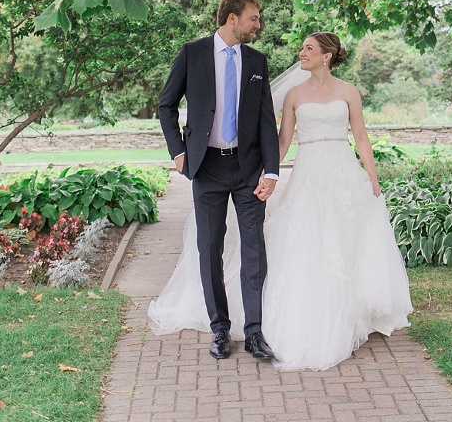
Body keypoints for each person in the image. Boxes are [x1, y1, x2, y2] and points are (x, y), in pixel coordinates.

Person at [150, 30, 412, 372]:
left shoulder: (349, 92)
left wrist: (372, 178)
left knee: (347, 239)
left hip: (342, 172)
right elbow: (282, 138)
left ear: (327, 55)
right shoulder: (293, 94)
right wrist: (268, 173)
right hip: (308, 172)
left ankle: (347, 311)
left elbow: (361, 137)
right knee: (307, 240)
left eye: (308, 48)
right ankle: (273, 319)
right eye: (302, 47)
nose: (301, 52)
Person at [157, 0, 280, 362]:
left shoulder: (257, 60)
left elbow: (265, 120)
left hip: (248, 169)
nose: (258, 24)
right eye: (253, 18)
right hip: (206, 167)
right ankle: (220, 329)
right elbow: (166, 105)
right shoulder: (192, 53)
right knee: (209, 249)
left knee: (254, 249)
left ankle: (255, 332)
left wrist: (271, 171)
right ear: (232, 19)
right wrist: (178, 151)